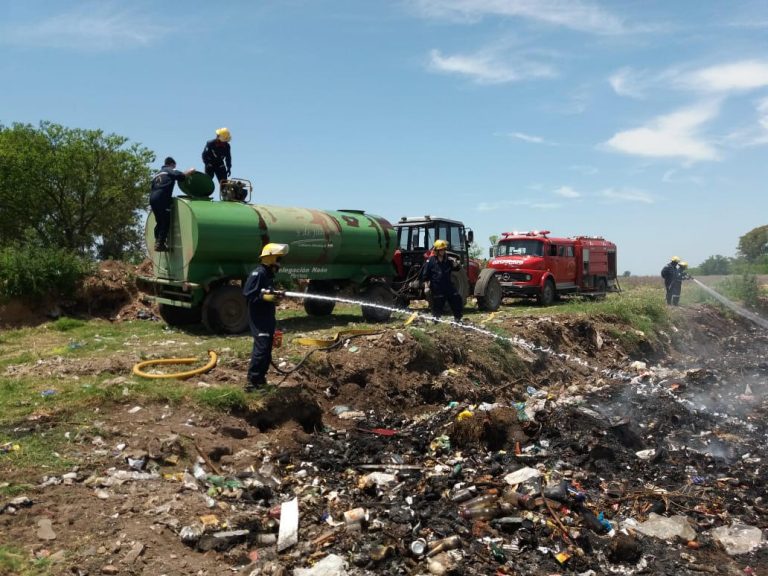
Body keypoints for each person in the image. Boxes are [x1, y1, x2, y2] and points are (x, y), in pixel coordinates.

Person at [242, 243, 289, 392]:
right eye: (278, 259)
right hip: (259, 317)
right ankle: (252, 383)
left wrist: (275, 295)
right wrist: (266, 297)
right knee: (261, 349)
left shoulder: (268, 275)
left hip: (267, 317)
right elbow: (248, 294)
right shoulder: (259, 273)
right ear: (270, 258)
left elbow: (266, 293)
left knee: (267, 348)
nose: (279, 263)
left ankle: (260, 380)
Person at [149, 157, 194, 252]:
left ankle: (157, 241)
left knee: (159, 221)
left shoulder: (157, 174)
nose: (174, 167)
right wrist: (190, 171)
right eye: (174, 166)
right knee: (165, 221)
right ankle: (160, 244)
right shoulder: (169, 170)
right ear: (171, 164)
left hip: (153, 199)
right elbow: (181, 176)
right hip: (162, 198)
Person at [420, 239, 463, 322]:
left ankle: (458, 318)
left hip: (448, 285)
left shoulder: (448, 260)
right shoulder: (431, 261)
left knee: (456, 298)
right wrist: (426, 286)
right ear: (436, 250)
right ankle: (436, 320)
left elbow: (456, 268)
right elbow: (425, 275)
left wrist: (456, 264)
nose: (442, 251)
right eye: (440, 250)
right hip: (437, 287)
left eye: (443, 249)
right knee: (438, 304)